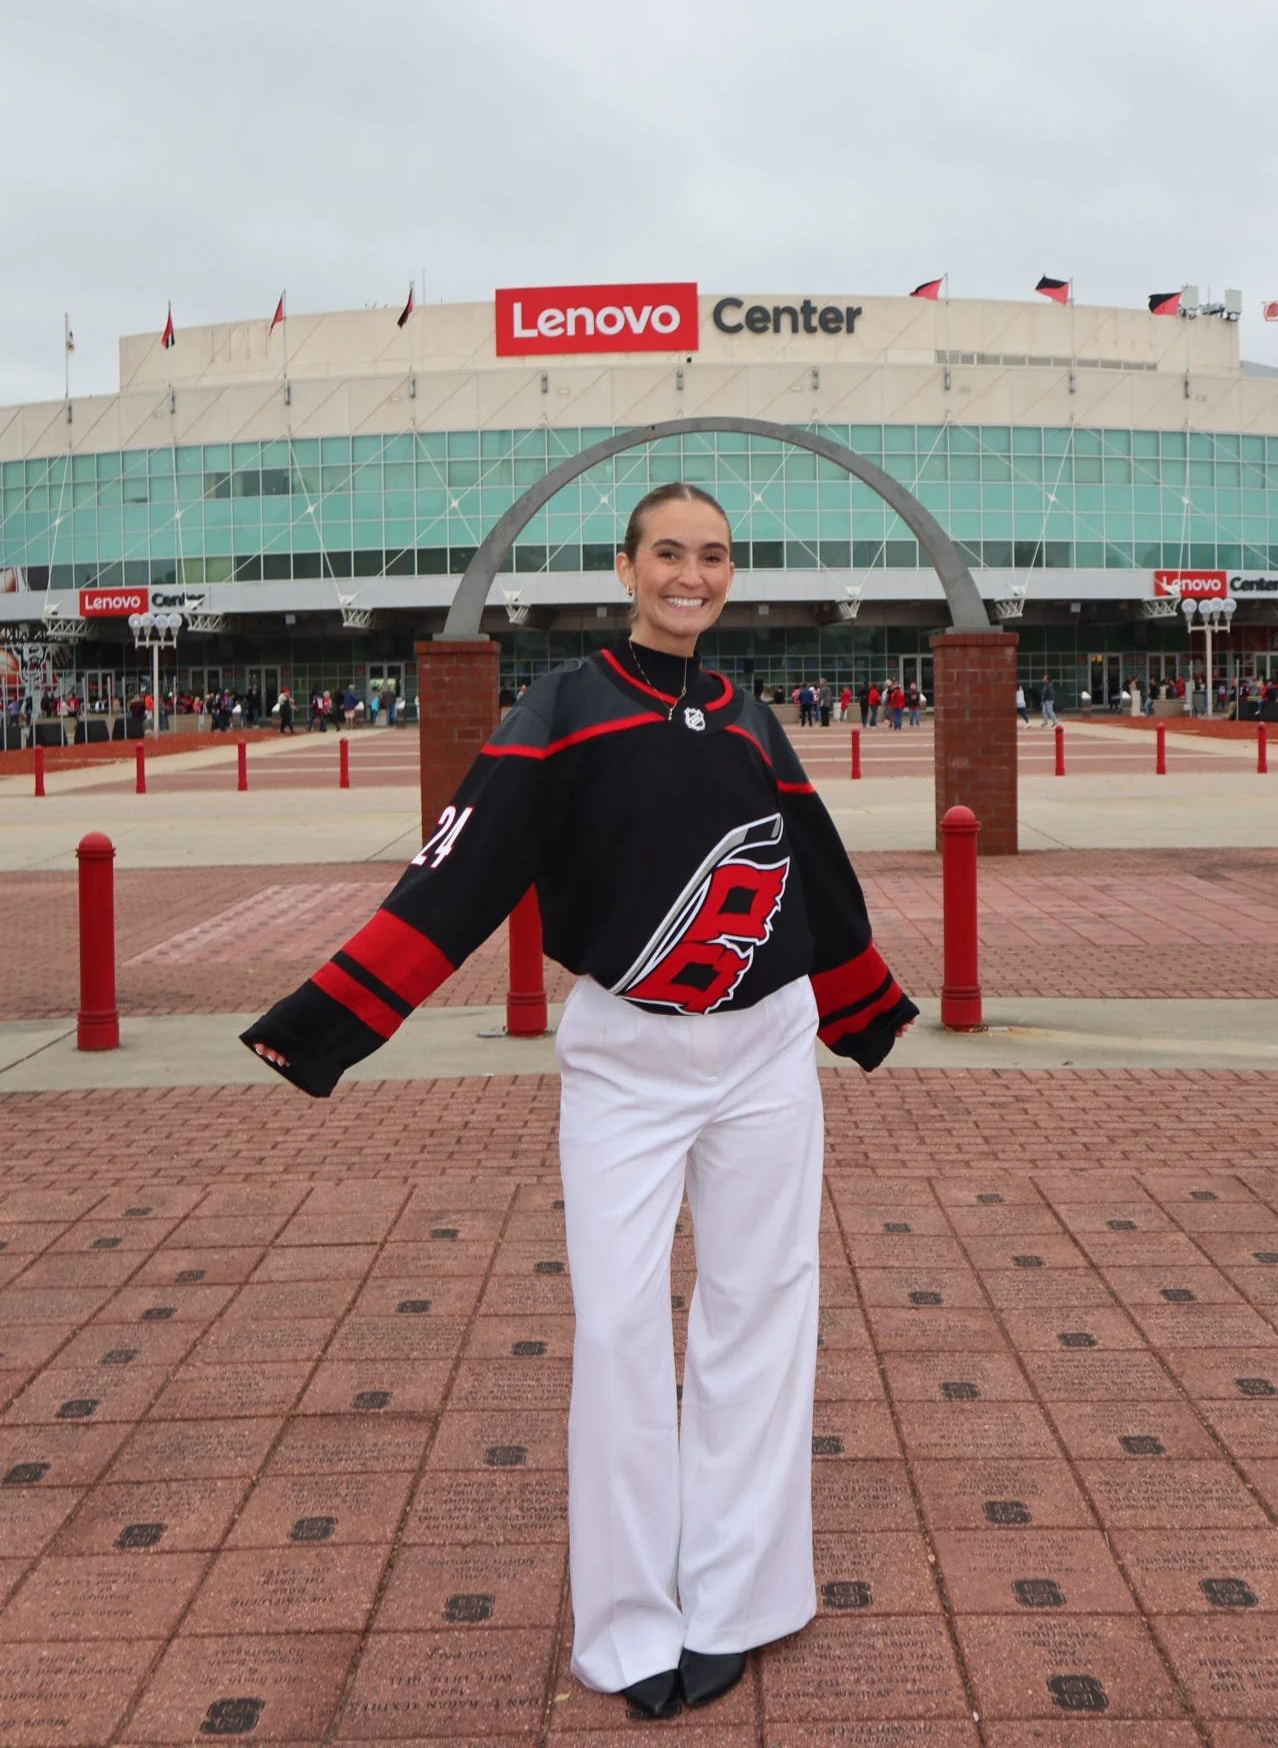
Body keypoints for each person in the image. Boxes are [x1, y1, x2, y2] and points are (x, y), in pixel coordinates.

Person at [241, 482, 918, 1724]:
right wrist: (325, 1022)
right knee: (615, 1330)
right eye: (669, 552)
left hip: (766, 1052)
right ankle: (628, 1626)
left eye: (713, 556)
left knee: (762, 1312)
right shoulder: (561, 705)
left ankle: (739, 1598)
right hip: (626, 1056)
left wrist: (859, 1011)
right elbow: (461, 866)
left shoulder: (750, 712)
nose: (691, 575)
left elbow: (812, 873)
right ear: (624, 566)